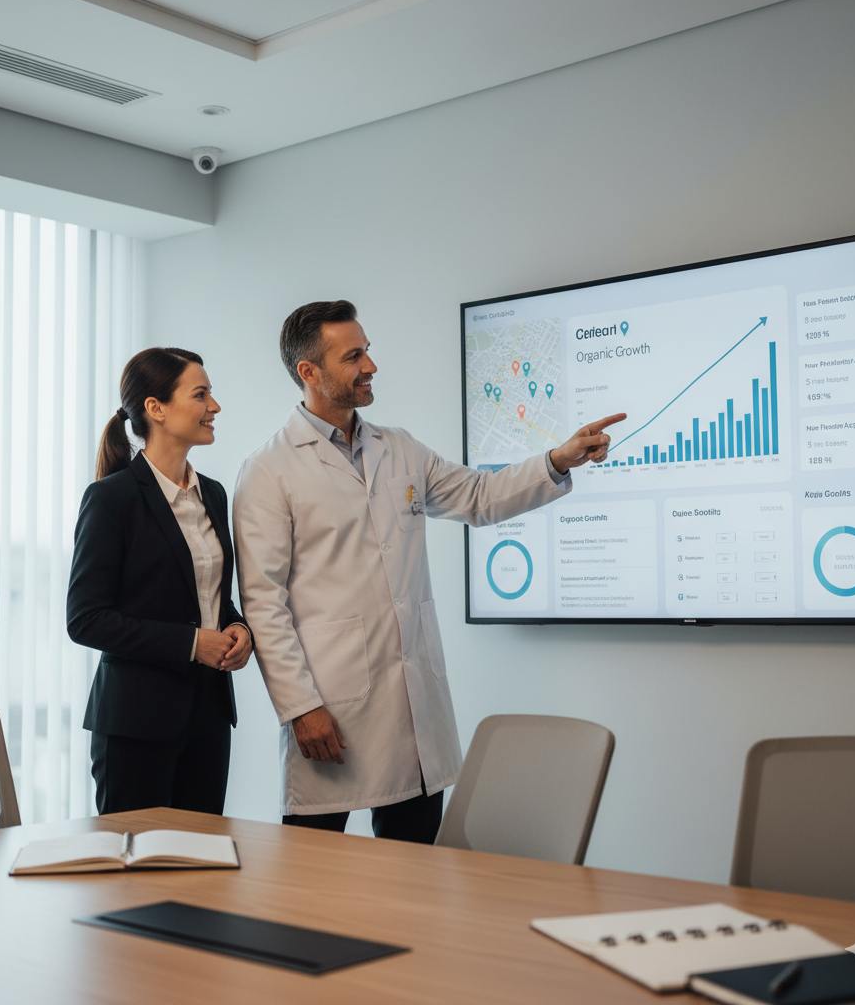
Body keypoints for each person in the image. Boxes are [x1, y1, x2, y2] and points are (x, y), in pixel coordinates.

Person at [233, 300, 625, 842]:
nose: (371, 365)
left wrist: (557, 460)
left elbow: (480, 497)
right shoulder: (270, 470)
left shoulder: (399, 448)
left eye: (367, 350)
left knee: (418, 872)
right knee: (312, 877)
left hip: (413, 707)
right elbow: (262, 601)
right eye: (354, 356)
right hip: (331, 709)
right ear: (310, 372)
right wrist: (301, 708)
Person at [67, 347, 252, 815]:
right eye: (201, 394)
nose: (215, 407)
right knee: (134, 873)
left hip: (208, 717)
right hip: (135, 723)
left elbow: (210, 597)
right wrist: (193, 644)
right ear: (156, 408)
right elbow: (86, 620)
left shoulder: (213, 493)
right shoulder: (111, 499)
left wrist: (238, 630)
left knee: (201, 868)